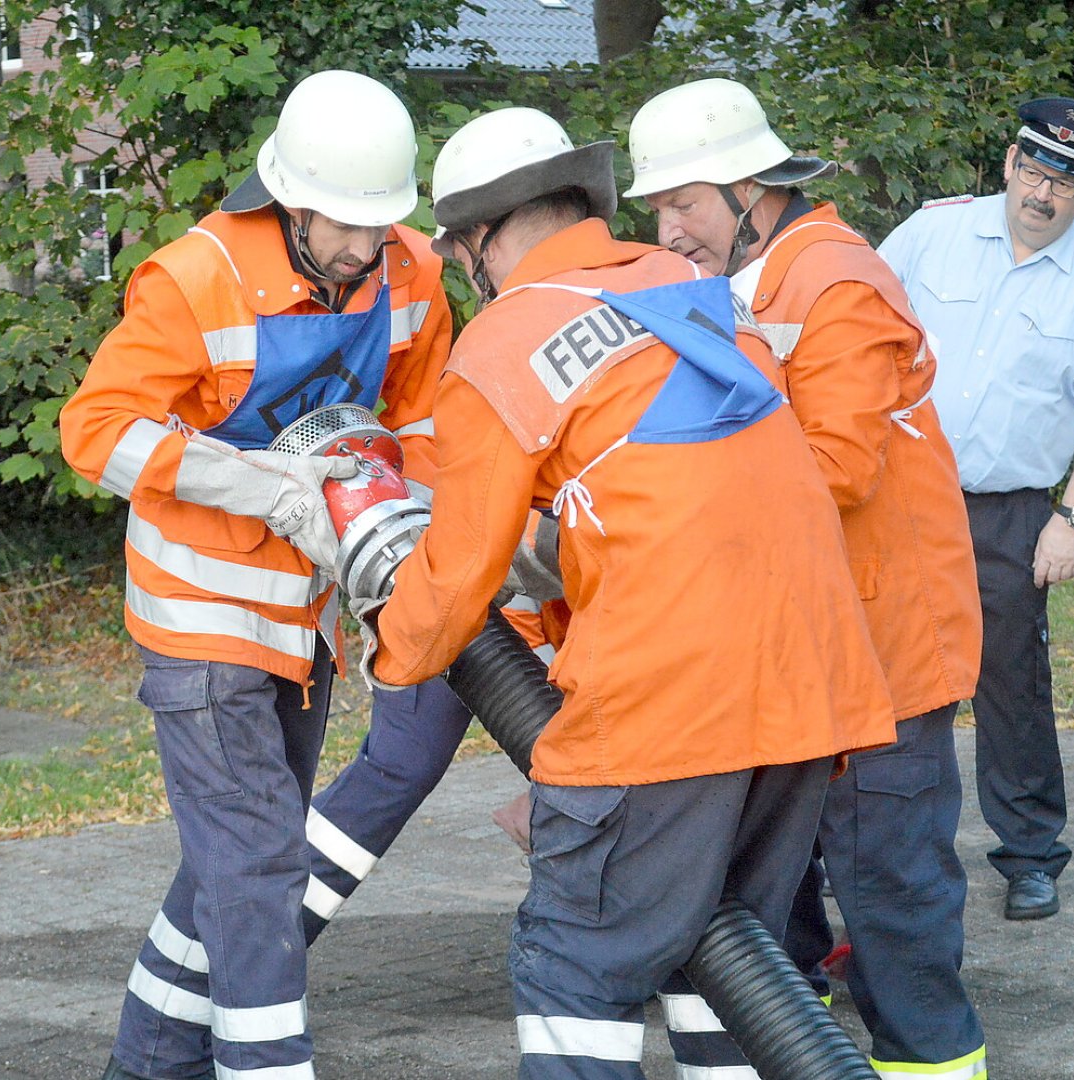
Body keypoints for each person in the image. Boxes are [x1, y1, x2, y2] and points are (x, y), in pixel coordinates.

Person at [357, 105, 895, 1079]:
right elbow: (696, 483)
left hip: (669, 697)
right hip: (812, 683)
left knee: (576, 965)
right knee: (731, 963)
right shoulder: (695, 289)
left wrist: (386, 642)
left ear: (478, 238)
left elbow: (451, 585)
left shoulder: (501, 340)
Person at [59, 69, 455, 1080]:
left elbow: (423, 427)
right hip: (201, 618)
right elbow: (94, 432)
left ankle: (148, 1066)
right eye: (349, 229)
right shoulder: (193, 278)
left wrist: (396, 550)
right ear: (292, 201)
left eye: (384, 225)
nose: (369, 251)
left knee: (230, 860)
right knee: (259, 865)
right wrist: (260, 485)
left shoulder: (407, 272)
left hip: (310, 622)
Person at [623, 77, 988, 1078]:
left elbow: (833, 470)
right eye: (657, 207)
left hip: (885, 657)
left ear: (751, 187)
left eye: (684, 202)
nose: (668, 227)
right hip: (803, 650)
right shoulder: (738, 285)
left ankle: (934, 1061)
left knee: (892, 897)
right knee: (778, 897)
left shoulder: (835, 283)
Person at [879, 96, 1074, 923]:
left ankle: (1028, 853)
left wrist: (1071, 518)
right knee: (871, 667)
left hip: (1008, 514)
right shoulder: (931, 232)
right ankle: (848, 838)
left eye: (1066, 182)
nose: (1043, 192)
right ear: (1007, 164)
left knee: (1010, 686)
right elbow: (855, 322)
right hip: (894, 495)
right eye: (1033, 170)